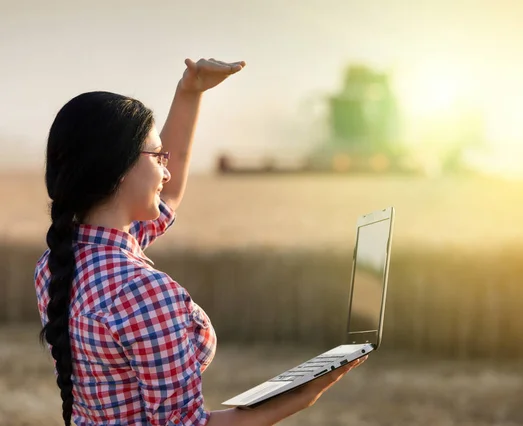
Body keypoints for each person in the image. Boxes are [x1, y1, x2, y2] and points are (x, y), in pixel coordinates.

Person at [34, 57, 367, 426]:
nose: (166, 168)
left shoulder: (57, 264)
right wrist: (302, 395)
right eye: (156, 155)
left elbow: (168, 194)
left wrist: (189, 93)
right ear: (118, 169)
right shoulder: (142, 292)